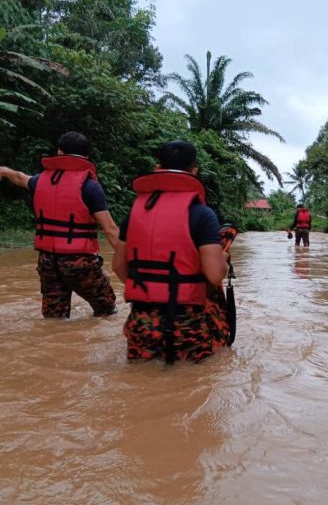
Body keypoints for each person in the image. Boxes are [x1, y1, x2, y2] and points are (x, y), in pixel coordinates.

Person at [112, 140, 230, 364]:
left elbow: (118, 266)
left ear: (158, 168)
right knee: (192, 388)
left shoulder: (135, 211)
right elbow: (214, 274)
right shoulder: (202, 215)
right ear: (194, 171)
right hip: (187, 324)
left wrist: (148, 287)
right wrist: (223, 261)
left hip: (141, 321)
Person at [0, 131, 119, 318]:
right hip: (78, 262)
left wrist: (4, 171)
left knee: (54, 318)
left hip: (47, 262)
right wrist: (129, 260)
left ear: (59, 152)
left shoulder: (41, 180)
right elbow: (110, 230)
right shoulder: (91, 187)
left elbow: (20, 178)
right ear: (86, 157)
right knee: (107, 310)